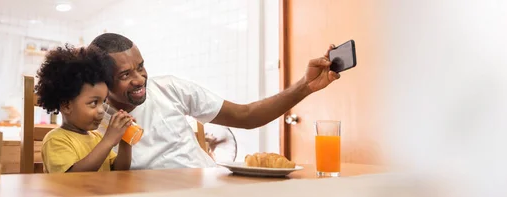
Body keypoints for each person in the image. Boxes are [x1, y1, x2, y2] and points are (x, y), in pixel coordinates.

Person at [89, 33, 340, 169]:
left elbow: (247, 116)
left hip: (211, 186)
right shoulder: (91, 122)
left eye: (141, 67)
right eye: (125, 75)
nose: (140, 79)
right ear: (101, 81)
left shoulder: (169, 87)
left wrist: (304, 87)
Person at [36, 44, 134, 173]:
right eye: (94, 103)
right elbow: (73, 178)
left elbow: (119, 170)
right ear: (66, 105)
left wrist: (125, 141)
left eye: (103, 102)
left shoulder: (97, 137)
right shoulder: (56, 140)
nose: (101, 110)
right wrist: (108, 141)